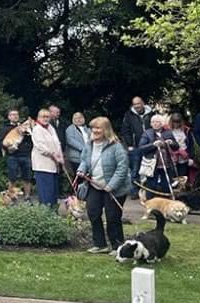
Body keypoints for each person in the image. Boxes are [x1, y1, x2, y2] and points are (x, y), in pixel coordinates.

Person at [77, 117, 129, 254]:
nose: (95, 130)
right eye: (93, 127)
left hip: (114, 188)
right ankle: (100, 245)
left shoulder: (116, 146)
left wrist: (111, 185)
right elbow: (84, 160)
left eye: (98, 128)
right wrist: (82, 169)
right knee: (93, 213)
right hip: (94, 185)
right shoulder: (89, 145)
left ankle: (117, 246)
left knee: (113, 217)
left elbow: (122, 168)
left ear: (106, 130)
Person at [136, 114, 179, 202]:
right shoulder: (147, 133)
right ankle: (150, 206)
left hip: (166, 164)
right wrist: (153, 145)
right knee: (151, 186)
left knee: (166, 185)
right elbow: (141, 147)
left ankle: (166, 205)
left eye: (157, 122)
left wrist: (171, 142)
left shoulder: (168, 132)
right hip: (152, 164)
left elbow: (176, 147)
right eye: (153, 122)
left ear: (162, 123)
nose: (155, 124)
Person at [120, 96, 153, 198]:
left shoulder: (152, 114)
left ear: (143, 103)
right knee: (135, 170)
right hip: (135, 146)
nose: (137, 106)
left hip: (150, 146)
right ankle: (135, 192)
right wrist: (129, 145)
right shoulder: (129, 115)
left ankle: (149, 192)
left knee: (150, 169)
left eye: (138, 103)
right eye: (135, 104)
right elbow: (125, 130)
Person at [0, 109, 33, 201]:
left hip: (25, 155)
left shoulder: (24, 126)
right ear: (9, 117)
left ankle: (27, 197)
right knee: (12, 177)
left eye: (16, 114)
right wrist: (7, 148)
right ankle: (11, 198)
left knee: (27, 177)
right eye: (12, 115)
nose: (15, 116)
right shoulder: (5, 128)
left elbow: (31, 139)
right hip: (12, 156)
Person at [30, 108, 64, 206]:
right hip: (42, 165)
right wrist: (53, 154)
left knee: (53, 191)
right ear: (38, 117)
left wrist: (60, 157)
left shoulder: (51, 128)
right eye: (43, 117)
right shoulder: (37, 129)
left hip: (54, 165)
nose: (45, 119)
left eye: (47, 117)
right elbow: (41, 147)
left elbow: (57, 143)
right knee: (46, 192)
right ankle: (46, 213)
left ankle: (53, 212)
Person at [167, 112, 194, 186]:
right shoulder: (167, 130)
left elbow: (191, 145)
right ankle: (174, 194)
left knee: (183, 177)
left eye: (178, 122)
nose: (176, 124)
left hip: (184, 156)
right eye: (174, 122)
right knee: (173, 178)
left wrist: (191, 158)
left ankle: (183, 193)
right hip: (171, 157)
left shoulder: (186, 130)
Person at [64, 112, 90, 182]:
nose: (78, 120)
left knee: (87, 177)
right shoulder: (70, 129)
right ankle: (77, 192)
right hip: (76, 158)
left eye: (80, 118)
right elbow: (70, 141)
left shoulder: (87, 129)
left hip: (87, 157)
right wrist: (84, 148)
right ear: (73, 119)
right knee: (78, 178)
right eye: (76, 118)